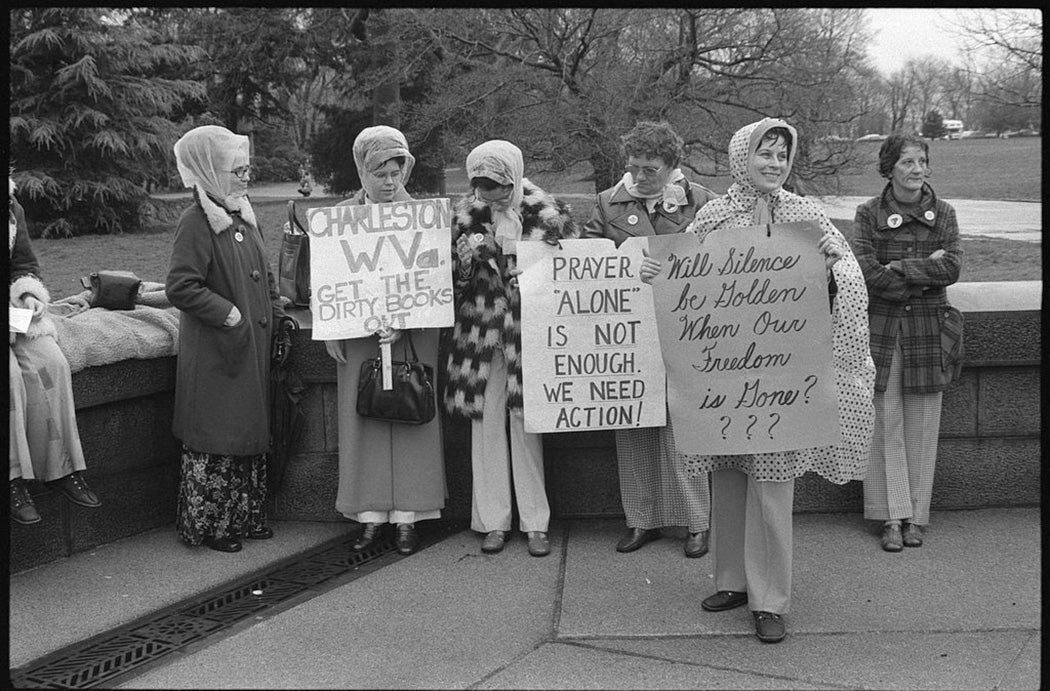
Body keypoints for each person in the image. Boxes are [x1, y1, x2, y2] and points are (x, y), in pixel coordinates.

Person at [641, 118, 874, 643]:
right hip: (726, 376)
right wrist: (656, 274)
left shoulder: (805, 214)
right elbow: (684, 276)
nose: (774, 163)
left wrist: (834, 269)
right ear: (741, 156)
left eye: (781, 155)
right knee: (727, 477)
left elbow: (847, 286)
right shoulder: (715, 214)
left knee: (771, 486)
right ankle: (734, 581)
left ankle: (770, 599)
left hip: (781, 378)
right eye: (764, 153)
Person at [581, 120, 718, 558]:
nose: (640, 176)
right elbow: (586, 266)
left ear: (671, 166)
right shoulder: (606, 204)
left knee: (686, 428)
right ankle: (641, 519)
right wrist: (624, 269)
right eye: (634, 167)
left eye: (650, 169)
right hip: (629, 334)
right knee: (633, 424)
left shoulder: (700, 201)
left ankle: (698, 521)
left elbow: (724, 257)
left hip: (688, 330)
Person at [445, 140, 577, 557]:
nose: (490, 196)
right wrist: (464, 262)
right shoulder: (463, 215)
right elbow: (445, 280)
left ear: (515, 178)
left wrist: (540, 274)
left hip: (529, 332)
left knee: (527, 424)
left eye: (499, 188)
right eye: (482, 189)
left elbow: (577, 273)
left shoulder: (550, 214)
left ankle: (536, 522)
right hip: (481, 332)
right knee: (485, 425)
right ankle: (492, 520)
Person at [165, 125, 285, 553]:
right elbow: (181, 286)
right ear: (212, 171)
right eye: (239, 170)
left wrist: (278, 311)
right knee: (219, 438)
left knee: (246, 436)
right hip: (219, 353)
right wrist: (230, 314)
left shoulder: (241, 214)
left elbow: (265, 274)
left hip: (248, 349)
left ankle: (245, 517)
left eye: (247, 168)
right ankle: (213, 525)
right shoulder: (196, 221)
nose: (247, 177)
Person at [327, 125, 446, 556]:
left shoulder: (426, 218)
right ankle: (370, 516)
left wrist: (407, 322)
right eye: (380, 173)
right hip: (359, 333)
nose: (390, 182)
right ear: (363, 171)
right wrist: (332, 329)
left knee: (413, 415)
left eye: (397, 172)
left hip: (413, 336)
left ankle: (409, 518)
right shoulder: (340, 218)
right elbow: (329, 283)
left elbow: (435, 283)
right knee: (364, 420)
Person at [851, 133, 962, 552]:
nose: (917, 170)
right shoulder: (867, 213)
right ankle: (890, 517)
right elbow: (864, 271)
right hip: (881, 330)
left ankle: (915, 516)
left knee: (922, 422)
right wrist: (919, 271)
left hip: (928, 333)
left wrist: (894, 267)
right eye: (907, 163)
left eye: (922, 161)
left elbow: (951, 267)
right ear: (889, 168)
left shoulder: (945, 213)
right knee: (884, 421)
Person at [9, 177, 102, 525]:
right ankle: (13, 479)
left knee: (52, 364)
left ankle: (60, 467)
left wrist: (28, 294)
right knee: (11, 377)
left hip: (11, 314)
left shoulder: (10, 204)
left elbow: (23, 266)